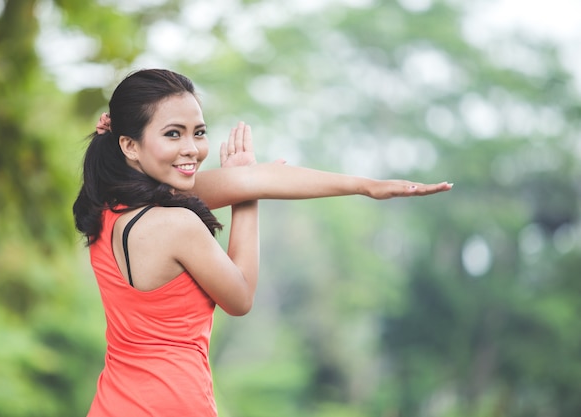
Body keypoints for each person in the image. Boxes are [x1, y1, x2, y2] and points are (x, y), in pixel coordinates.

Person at [72, 68, 452, 417]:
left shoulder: (105, 208)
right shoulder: (175, 223)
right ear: (130, 145)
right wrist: (246, 203)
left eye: (198, 132)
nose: (192, 148)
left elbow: (259, 179)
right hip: (172, 404)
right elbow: (241, 298)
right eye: (173, 133)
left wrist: (367, 186)